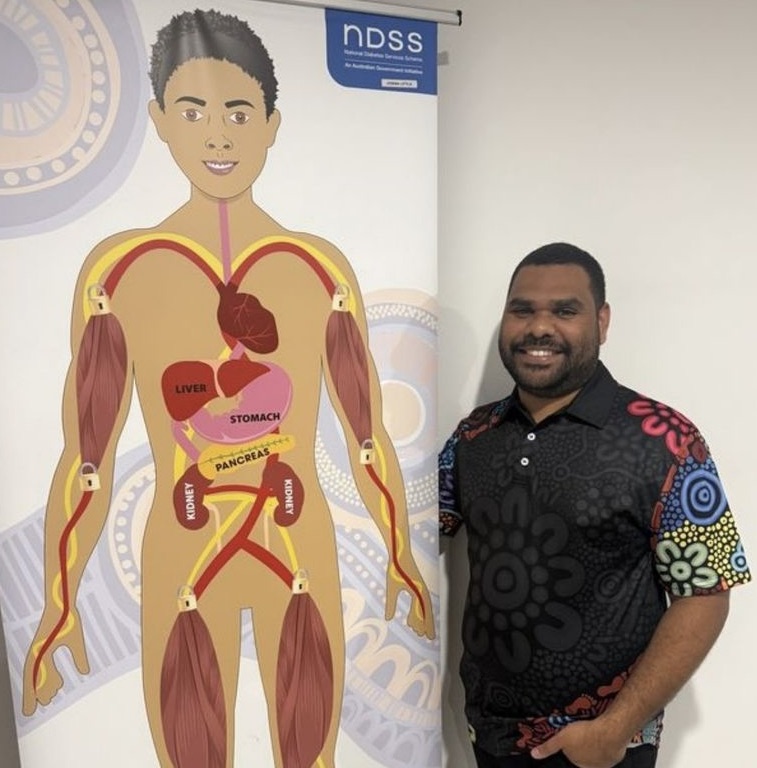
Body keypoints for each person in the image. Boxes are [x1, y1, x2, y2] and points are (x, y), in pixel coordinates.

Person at [21, 9, 434, 768]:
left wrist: (402, 554)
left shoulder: (318, 268)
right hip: (185, 544)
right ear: (159, 121)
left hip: (295, 536)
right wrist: (58, 599)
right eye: (194, 112)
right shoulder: (120, 271)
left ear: (272, 126)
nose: (218, 136)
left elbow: (366, 435)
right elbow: (87, 456)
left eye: (239, 114)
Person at [438, 242, 750, 768]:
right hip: (489, 737)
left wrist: (615, 728)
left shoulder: (666, 439)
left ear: (601, 322)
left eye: (565, 311)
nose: (540, 327)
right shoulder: (474, 436)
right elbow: (414, 533)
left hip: (602, 749)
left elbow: (706, 593)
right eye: (522, 310)